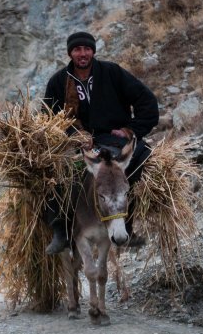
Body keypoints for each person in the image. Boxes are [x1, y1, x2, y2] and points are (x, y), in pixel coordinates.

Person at [42, 31, 159, 254]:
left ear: (93, 51)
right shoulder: (58, 82)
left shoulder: (112, 72)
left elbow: (147, 101)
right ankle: (61, 229)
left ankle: (127, 225)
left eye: (87, 49)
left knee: (141, 159)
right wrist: (72, 135)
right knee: (54, 172)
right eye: (77, 49)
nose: (82, 53)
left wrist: (130, 130)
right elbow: (47, 119)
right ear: (70, 53)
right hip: (75, 144)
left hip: (113, 141)